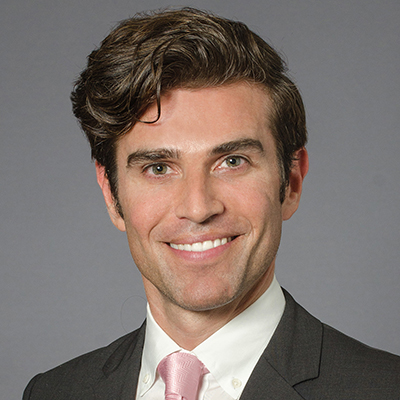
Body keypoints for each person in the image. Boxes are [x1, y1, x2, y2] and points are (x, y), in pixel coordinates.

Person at [23, 7, 400, 400]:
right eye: (158, 168)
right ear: (111, 194)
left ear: (290, 182)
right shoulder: (52, 392)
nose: (198, 207)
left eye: (232, 162)